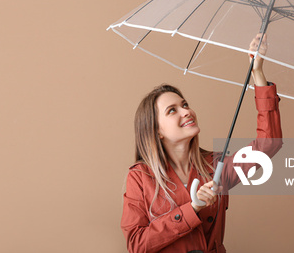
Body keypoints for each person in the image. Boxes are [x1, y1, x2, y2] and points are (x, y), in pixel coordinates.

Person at [121, 34, 283, 253]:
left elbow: (268, 145)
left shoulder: (216, 167)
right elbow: (137, 245)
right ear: (156, 131)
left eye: (185, 104)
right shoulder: (140, 177)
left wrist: (257, 72)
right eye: (172, 110)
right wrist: (192, 208)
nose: (186, 111)